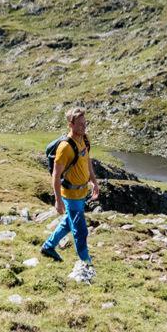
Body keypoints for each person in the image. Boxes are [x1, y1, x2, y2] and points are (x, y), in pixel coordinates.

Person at [40, 106, 99, 281]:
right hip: (70, 194)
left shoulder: (85, 140)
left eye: (85, 123)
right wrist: (58, 201)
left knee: (68, 222)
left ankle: (48, 246)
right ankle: (86, 263)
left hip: (82, 192)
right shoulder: (65, 147)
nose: (84, 127)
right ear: (70, 124)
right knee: (80, 230)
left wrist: (94, 182)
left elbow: (87, 161)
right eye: (80, 124)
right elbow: (55, 175)